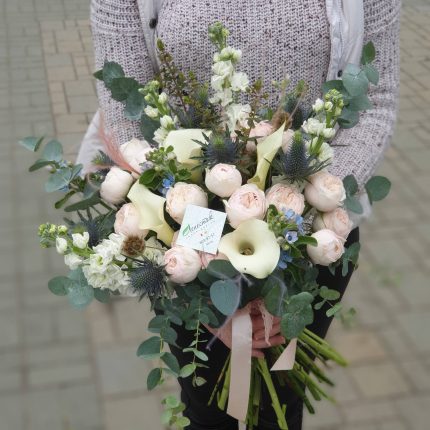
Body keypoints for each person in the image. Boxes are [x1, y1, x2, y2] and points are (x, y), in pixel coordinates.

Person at [81, 1, 401, 428]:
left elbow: (376, 102)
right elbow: (126, 110)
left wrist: (295, 226)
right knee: (206, 409)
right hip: (184, 242)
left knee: (281, 403)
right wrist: (204, 275)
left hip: (314, 240)